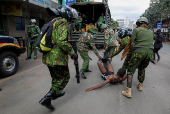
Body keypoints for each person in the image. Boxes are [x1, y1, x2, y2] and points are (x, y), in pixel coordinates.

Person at [39, 5, 78, 110]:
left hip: (48, 57)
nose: (71, 19)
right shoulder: (62, 22)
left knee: (56, 78)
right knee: (65, 77)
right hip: (57, 58)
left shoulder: (53, 21)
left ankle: (57, 92)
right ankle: (47, 98)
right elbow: (62, 41)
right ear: (67, 14)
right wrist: (72, 53)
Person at [121, 17, 154, 98]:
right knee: (142, 68)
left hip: (138, 53)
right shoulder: (151, 32)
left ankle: (128, 91)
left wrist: (131, 53)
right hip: (149, 54)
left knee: (130, 70)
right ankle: (140, 86)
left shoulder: (136, 30)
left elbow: (132, 44)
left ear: (139, 23)